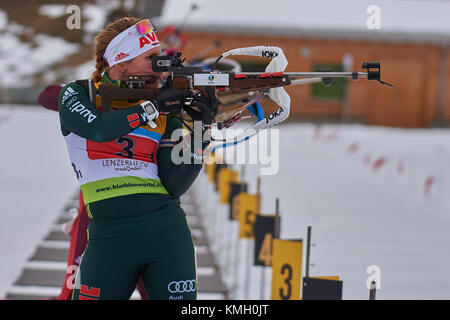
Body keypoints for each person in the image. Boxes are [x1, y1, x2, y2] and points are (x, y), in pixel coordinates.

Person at [57, 17, 216, 300]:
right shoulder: (78, 94)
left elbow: (175, 184)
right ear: (122, 63)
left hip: (167, 231)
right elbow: (99, 129)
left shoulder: (164, 112)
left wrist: (204, 129)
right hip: (109, 236)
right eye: (153, 59)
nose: (162, 67)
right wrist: (152, 107)